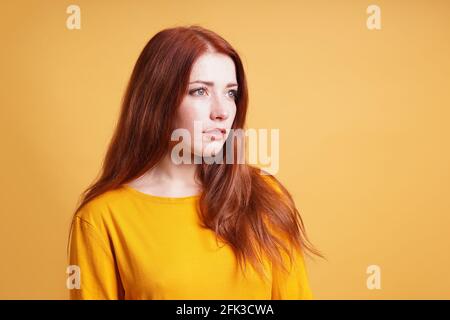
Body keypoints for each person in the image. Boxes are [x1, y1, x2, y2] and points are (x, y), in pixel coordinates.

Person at [67, 25, 322, 300]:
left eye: (231, 93)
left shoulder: (264, 195)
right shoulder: (102, 218)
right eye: (200, 91)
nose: (222, 111)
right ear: (157, 101)